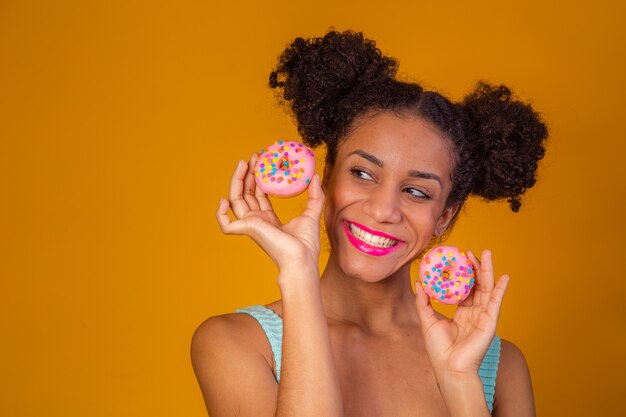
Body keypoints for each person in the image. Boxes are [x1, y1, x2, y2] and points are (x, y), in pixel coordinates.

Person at [191, 29, 547, 417]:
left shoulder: (499, 365)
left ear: (444, 215)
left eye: (417, 192)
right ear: (325, 178)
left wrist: (461, 380)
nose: (382, 210)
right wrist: (297, 273)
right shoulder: (236, 343)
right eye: (362, 173)